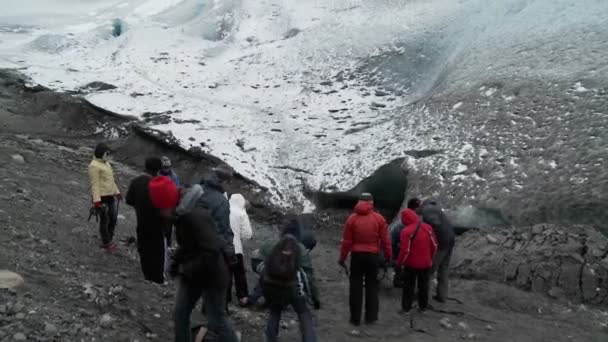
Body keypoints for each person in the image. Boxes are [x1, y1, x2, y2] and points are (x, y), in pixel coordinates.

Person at [149, 176, 239, 342]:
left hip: (214, 274)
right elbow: (190, 245)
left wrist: (186, 268)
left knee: (216, 319)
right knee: (180, 313)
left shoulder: (194, 216)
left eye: (161, 209)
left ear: (168, 203)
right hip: (195, 271)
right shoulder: (181, 213)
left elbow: (211, 250)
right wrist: (176, 263)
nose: (160, 214)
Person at [254, 226, 320, 342]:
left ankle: (270, 339)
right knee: (304, 314)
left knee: (274, 312)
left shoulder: (269, 244)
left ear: (282, 233)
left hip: (271, 286)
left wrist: (261, 283)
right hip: (292, 288)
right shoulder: (301, 249)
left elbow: (255, 260)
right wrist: (314, 298)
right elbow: (307, 277)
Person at [339, 193, 392, 327]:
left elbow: (346, 242)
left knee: (355, 286)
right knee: (372, 286)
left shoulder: (352, 219)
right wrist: (388, 256)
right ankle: (371, 317)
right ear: (372, 202)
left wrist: (342, 258)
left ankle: (355, 318)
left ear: (359, 201)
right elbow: (386, 241)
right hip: (373, 256)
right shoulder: (378, 218)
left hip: (357, 256)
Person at [125, 157, 167, 284]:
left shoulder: (136, 181)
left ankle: (147, 276)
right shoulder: (160, 184)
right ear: (158, 169)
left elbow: (129, 200)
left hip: (141, 220)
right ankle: (158, 278)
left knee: (144, 248)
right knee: (158, 251)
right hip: (157, 223)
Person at [396, 208, 438, 312]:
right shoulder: (428, 227)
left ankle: (406, 308)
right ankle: (423, 306)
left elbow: (405, 251)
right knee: (423, 285)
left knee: (408, 286)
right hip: (426, 263)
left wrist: (399, 263)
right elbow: (434, 246)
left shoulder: (405, 231)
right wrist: (430, 258)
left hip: (411, 264)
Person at [419, 199, 455, 303]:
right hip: (450, 240)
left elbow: (434, 224)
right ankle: (442, 296)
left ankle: (424, 297)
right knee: (444, 268)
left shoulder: (427, 210)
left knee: (429, 270)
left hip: (441, 243)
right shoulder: (438, 210)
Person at [88, 143, 121, 251]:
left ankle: (109, 238)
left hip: (110, 195)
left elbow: (111, 181)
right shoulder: (94, 165)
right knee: (105, 220)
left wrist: (117, 192)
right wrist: (97, 201)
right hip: (102, 197)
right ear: (102, 153)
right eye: (107, 153)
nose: (109, 155)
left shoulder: (107, 164)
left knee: (113, 218)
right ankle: (106, 242)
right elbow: (95, 184)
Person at [228, 194, 253, 307]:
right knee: (239, 273)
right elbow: (247, 234)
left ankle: (225, 296)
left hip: (222, 246)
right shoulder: (242, 213)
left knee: (225, 272)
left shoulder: (224, 208)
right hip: (236, 248)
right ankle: (242, 297)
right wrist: (239, 237)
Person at [391, 198, 422, 287]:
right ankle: (399, 279)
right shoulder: (415, 223)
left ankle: (399, 279)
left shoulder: (400, 223)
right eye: (419, 207)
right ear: (416, 208)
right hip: (403, 248)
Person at [159, 156, 180, 247]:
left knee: (168, 228)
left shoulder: (174, 176)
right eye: (165, 167)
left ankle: (167, 245)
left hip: (169, 205)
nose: (167, 169)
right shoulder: (157, 175)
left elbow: (177, 189)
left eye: (168, 167)